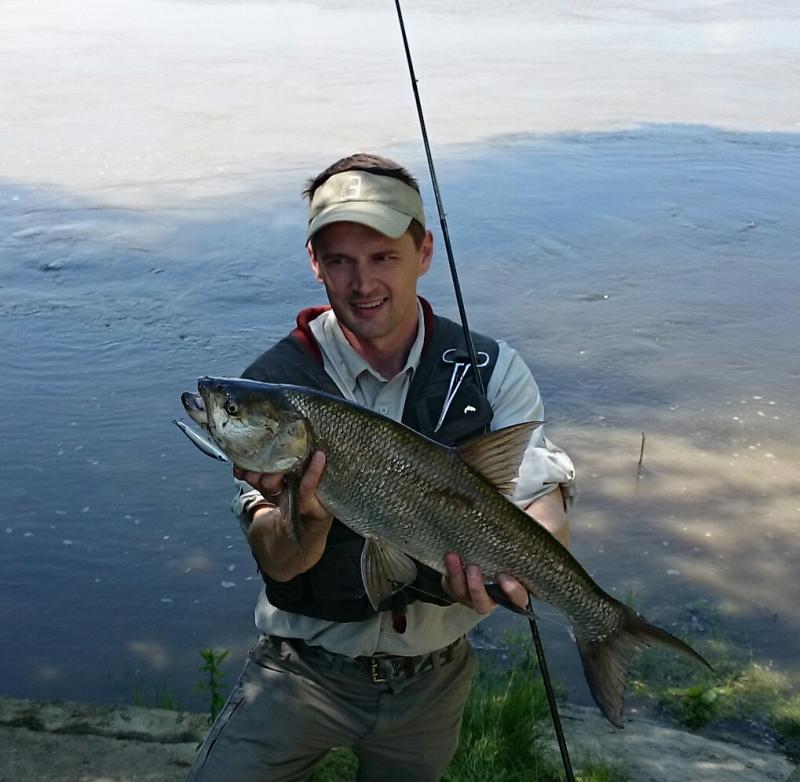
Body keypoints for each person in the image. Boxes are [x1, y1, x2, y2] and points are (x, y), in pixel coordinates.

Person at [186, 153, 576, 782]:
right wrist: (304, 524)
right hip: (300, 670)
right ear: (315, 263)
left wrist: (523, 573)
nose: (363, 283)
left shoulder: (492, 372)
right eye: (340, 260)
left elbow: (541, 494)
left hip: (434, 678)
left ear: (424, 252)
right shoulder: (271, 392)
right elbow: (278, 563)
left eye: (384, 257)